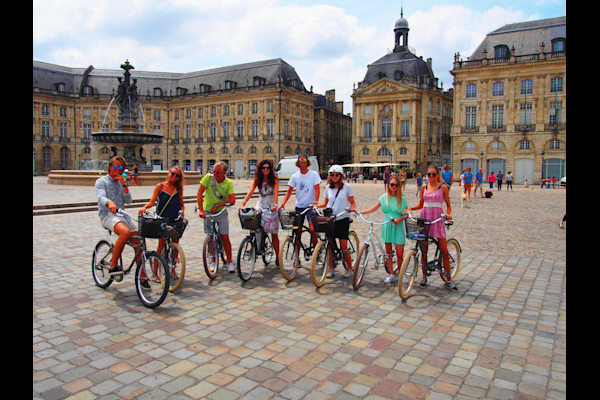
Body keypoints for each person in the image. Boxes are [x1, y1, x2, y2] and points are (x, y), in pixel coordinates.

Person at [404, 165, 457, 291]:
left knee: (444, 250)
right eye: (429, 174)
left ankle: (449, 279)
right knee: (423, 248)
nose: (431, 177)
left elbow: (448, 205)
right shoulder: (424, 187)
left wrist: (448, 214)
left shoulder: (443, 187)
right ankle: (424, 276)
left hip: (438, 219)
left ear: (438, 175)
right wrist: (411, 208)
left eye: (434, 174)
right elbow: (421, 204)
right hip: (426, 218)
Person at [139, 166, 185, 280]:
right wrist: (144, 208)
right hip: (162, 219)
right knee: (161, 245)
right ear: (168, 173)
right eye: (173, 174)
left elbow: (181, 203)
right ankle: (155, 272)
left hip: (175, 219)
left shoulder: (178, 189)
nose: (174, 177)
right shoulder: (160, 186)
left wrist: (182, 212)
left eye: (177, 175)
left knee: (175, 244)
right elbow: (152, 202)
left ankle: (173, 269)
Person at [360, 176, 408, 284]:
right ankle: (391, 274)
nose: (394, 187)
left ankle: (402, 273)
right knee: (388, 252)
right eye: (392, 184)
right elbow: (374, 208)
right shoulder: (384, 197)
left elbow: (407, 214)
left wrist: (399, 219)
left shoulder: (402, 199)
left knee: (400, 253)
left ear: (399, 186)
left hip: (398, 225)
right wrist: (362, 212)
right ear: (388, 185)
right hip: (387, 224)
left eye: (396, 185)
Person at [95, 156, 137, 277]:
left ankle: (142, 276)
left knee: (138, 241)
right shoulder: (101, 182)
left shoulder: (120, 183)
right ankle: (113, 265)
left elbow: (128, 200)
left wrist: (124, 185)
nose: (118, 170)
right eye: (116, 167)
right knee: (125, 232)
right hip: (107, 214)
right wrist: (109, 203)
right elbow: (101, 197)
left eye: (121, 168)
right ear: (110, 167)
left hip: (122, 216)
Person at [316, 165, 356, 279]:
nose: (334, 177)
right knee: (329, 245)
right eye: (332, 175)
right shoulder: (328, 187)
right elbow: (326, 203)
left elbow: (353, 202)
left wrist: (352, 208)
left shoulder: (347, 187)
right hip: (330, 219)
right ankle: (331, 268)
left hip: (342, 218)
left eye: (336, 175)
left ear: (341, 175)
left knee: (344, 247)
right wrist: (316, 205)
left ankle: (349, 268)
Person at [239, 159, 280, 267]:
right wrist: (243, 203)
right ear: (260, 169)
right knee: (253, 223)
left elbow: (276, 193)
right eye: (263, 168)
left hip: (271, 207)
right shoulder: (258, 179)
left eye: (267, 168)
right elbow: (251, 191)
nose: (265, 170)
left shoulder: (274, 179)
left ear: (270, 169)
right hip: (260, 205)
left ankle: (277, 257)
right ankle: (252, 245)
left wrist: (275, 205)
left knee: (274, 234)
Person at [197, 161, 236, 273]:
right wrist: (200, 210)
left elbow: (232, 200)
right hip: (208, 211)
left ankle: (230, 262)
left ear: (224, 173)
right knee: (210, 237)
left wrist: (218, 205)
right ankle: (213, 261)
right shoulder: (208, 179)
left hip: (221, 212)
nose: (215, 174)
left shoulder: (228, 183)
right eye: (214, 171)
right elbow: (199, 193)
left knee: (224, 237)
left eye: (218, 172)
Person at [280, 154, 321, 248]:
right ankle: (296, 258)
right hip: (299, 206)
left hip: (310, 206)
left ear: (307, 162)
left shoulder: (313, 174)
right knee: (297, 232)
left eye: (304, 160)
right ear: (298, 162)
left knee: (312, 229)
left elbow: (317, 190)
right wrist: (283, 203)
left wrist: (315, 202)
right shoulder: (295, 176)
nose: (302, 162)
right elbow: (289, 192)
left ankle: (316, 252)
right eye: (300, 160)